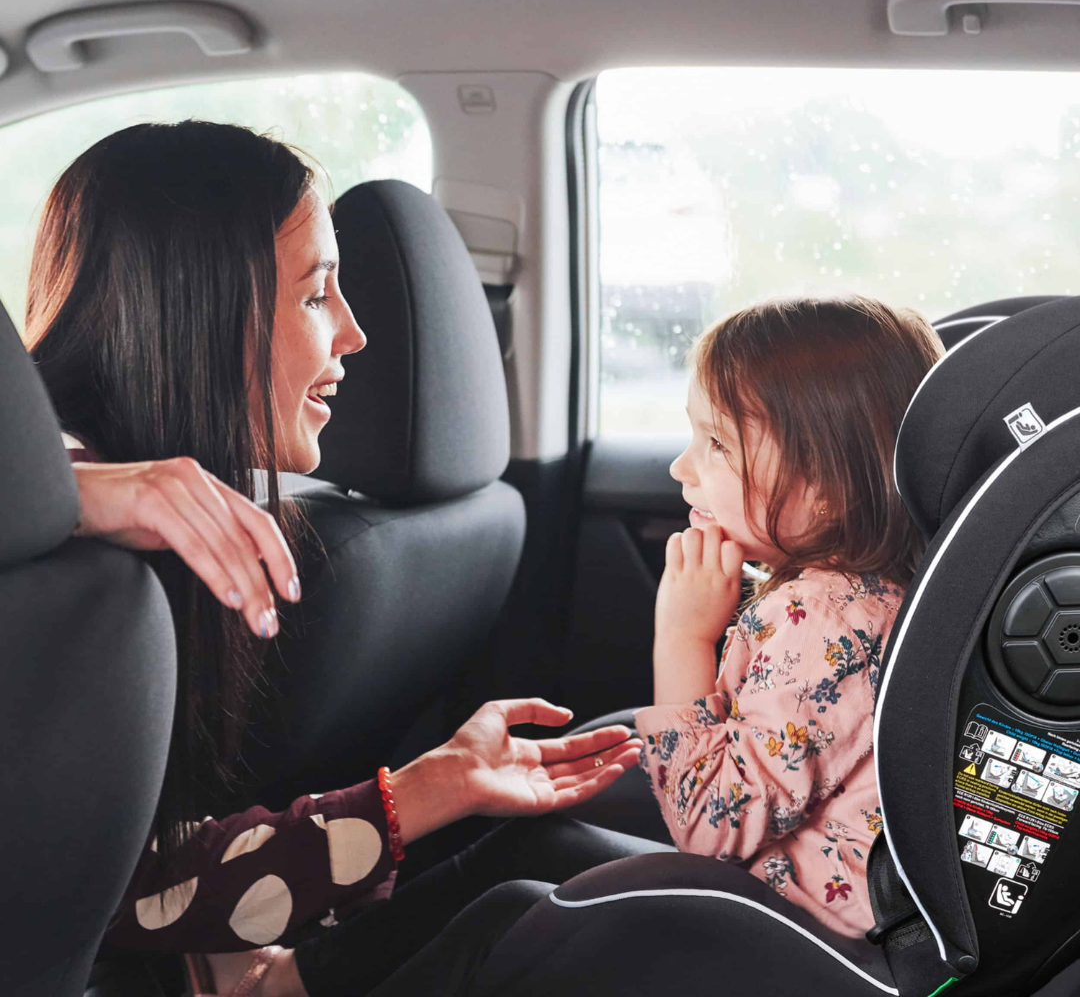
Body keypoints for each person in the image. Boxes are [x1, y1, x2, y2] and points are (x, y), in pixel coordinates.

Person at [26, 121, 668, 997]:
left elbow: (133, 876)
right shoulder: (65, 534)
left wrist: (436, 786)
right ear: (201, 309)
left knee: (556, 872)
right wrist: (71, 495)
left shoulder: (206, 517)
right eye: (315, 295)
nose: (355, 334)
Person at [634, 297, 943, 939]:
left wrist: (683, 636)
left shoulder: (815, 619)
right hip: (812, 905)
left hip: (791, 929)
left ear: (828, 485)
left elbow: (710, 827)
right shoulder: (869, 591)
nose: (680, 467)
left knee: (518, 897)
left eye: (717, 443)